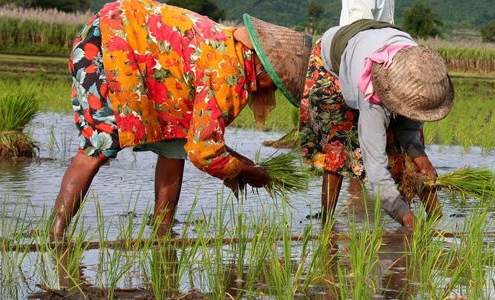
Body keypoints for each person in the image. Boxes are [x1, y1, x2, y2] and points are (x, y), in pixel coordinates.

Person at [50, 0, 312, 241]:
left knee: (174, 143)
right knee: (101, 140)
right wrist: (246, 172)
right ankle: (56, 235)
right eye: (276, 82)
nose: (273, 89)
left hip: (129, 43)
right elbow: (203, 151)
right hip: (109, 43)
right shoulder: (228, 70)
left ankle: (162, 232)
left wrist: (239, 163)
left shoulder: (232, 50)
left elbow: (193, 140)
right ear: (262, 66)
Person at [298, 20, 454, 228]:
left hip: (370, 47)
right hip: (331, 63)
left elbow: (408, 127)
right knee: (340, 145)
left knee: (413, 156)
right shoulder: (373, 98)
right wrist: (402, 213)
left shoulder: (419, 69)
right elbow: (375, 165)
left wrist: (420, 155)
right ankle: (327, 223)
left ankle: (437, 219)